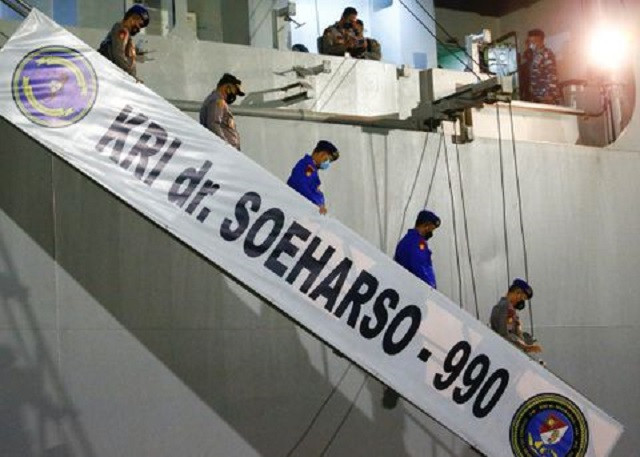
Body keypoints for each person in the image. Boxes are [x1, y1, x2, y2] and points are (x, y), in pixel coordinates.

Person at [383, 210, 441, 409]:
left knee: (411, 344)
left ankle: (398, 386)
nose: (431, 232)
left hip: (411, 302)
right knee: (412, 345)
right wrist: (431, 291)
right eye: (431, 228)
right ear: (425, 225)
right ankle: (398, 386)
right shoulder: (415, 244)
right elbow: (420, 270)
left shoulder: (411, 242)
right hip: (411, 302)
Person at [490, 278, 543, 354]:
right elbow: (504, 334)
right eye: (523, 298)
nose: (521, 301)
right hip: (505, 352)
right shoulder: (505, 307)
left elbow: (512, 331)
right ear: (518, 293)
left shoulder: (509, 308)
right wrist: (525, 346)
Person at [286, 140, 340, 214]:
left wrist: (320, 203)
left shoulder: (312, 169)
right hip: (296, 210)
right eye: (327, 160)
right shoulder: (308, 167)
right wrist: (317, 203)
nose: (327, 163)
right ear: (321, 154)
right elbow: (301, 186)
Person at [98, 4, 150, 80]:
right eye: (140, 24)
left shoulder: (125, 34)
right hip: (112, 77)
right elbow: (118, 55)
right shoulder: (122, 30)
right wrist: (132, 77)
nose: (139, 29)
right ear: (133, 18)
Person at [394, 210, 441, 288]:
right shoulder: (415, 242)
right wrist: (430, 288)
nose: (431, 233)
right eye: (431, 229)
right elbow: (419, 267)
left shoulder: (411, 240)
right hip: (412, 289)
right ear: (427, 226)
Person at [200, 73, 245, 151]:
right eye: (234, 91)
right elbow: (213, 124)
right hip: (224, 152)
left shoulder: (217, 100)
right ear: (226, 86)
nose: (234, 95)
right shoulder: (217, 101)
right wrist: (225, 147)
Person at [520, 29, 561, 105]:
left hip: (547, 98)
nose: (531, 44)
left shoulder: (547, 54)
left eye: (533, 41)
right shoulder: (533, 55)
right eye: (529, 41)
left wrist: (548, 96)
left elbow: (551, 75)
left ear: (540, 41)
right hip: (537, 97)